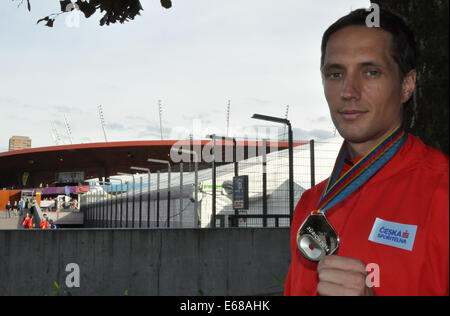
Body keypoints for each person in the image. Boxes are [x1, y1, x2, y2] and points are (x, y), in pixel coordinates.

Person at [284, 8, 449, 296]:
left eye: (371, 72)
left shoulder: (441, 193)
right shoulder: (311, 204)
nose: (349, 91)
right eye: (335, 74)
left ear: (407, 85)